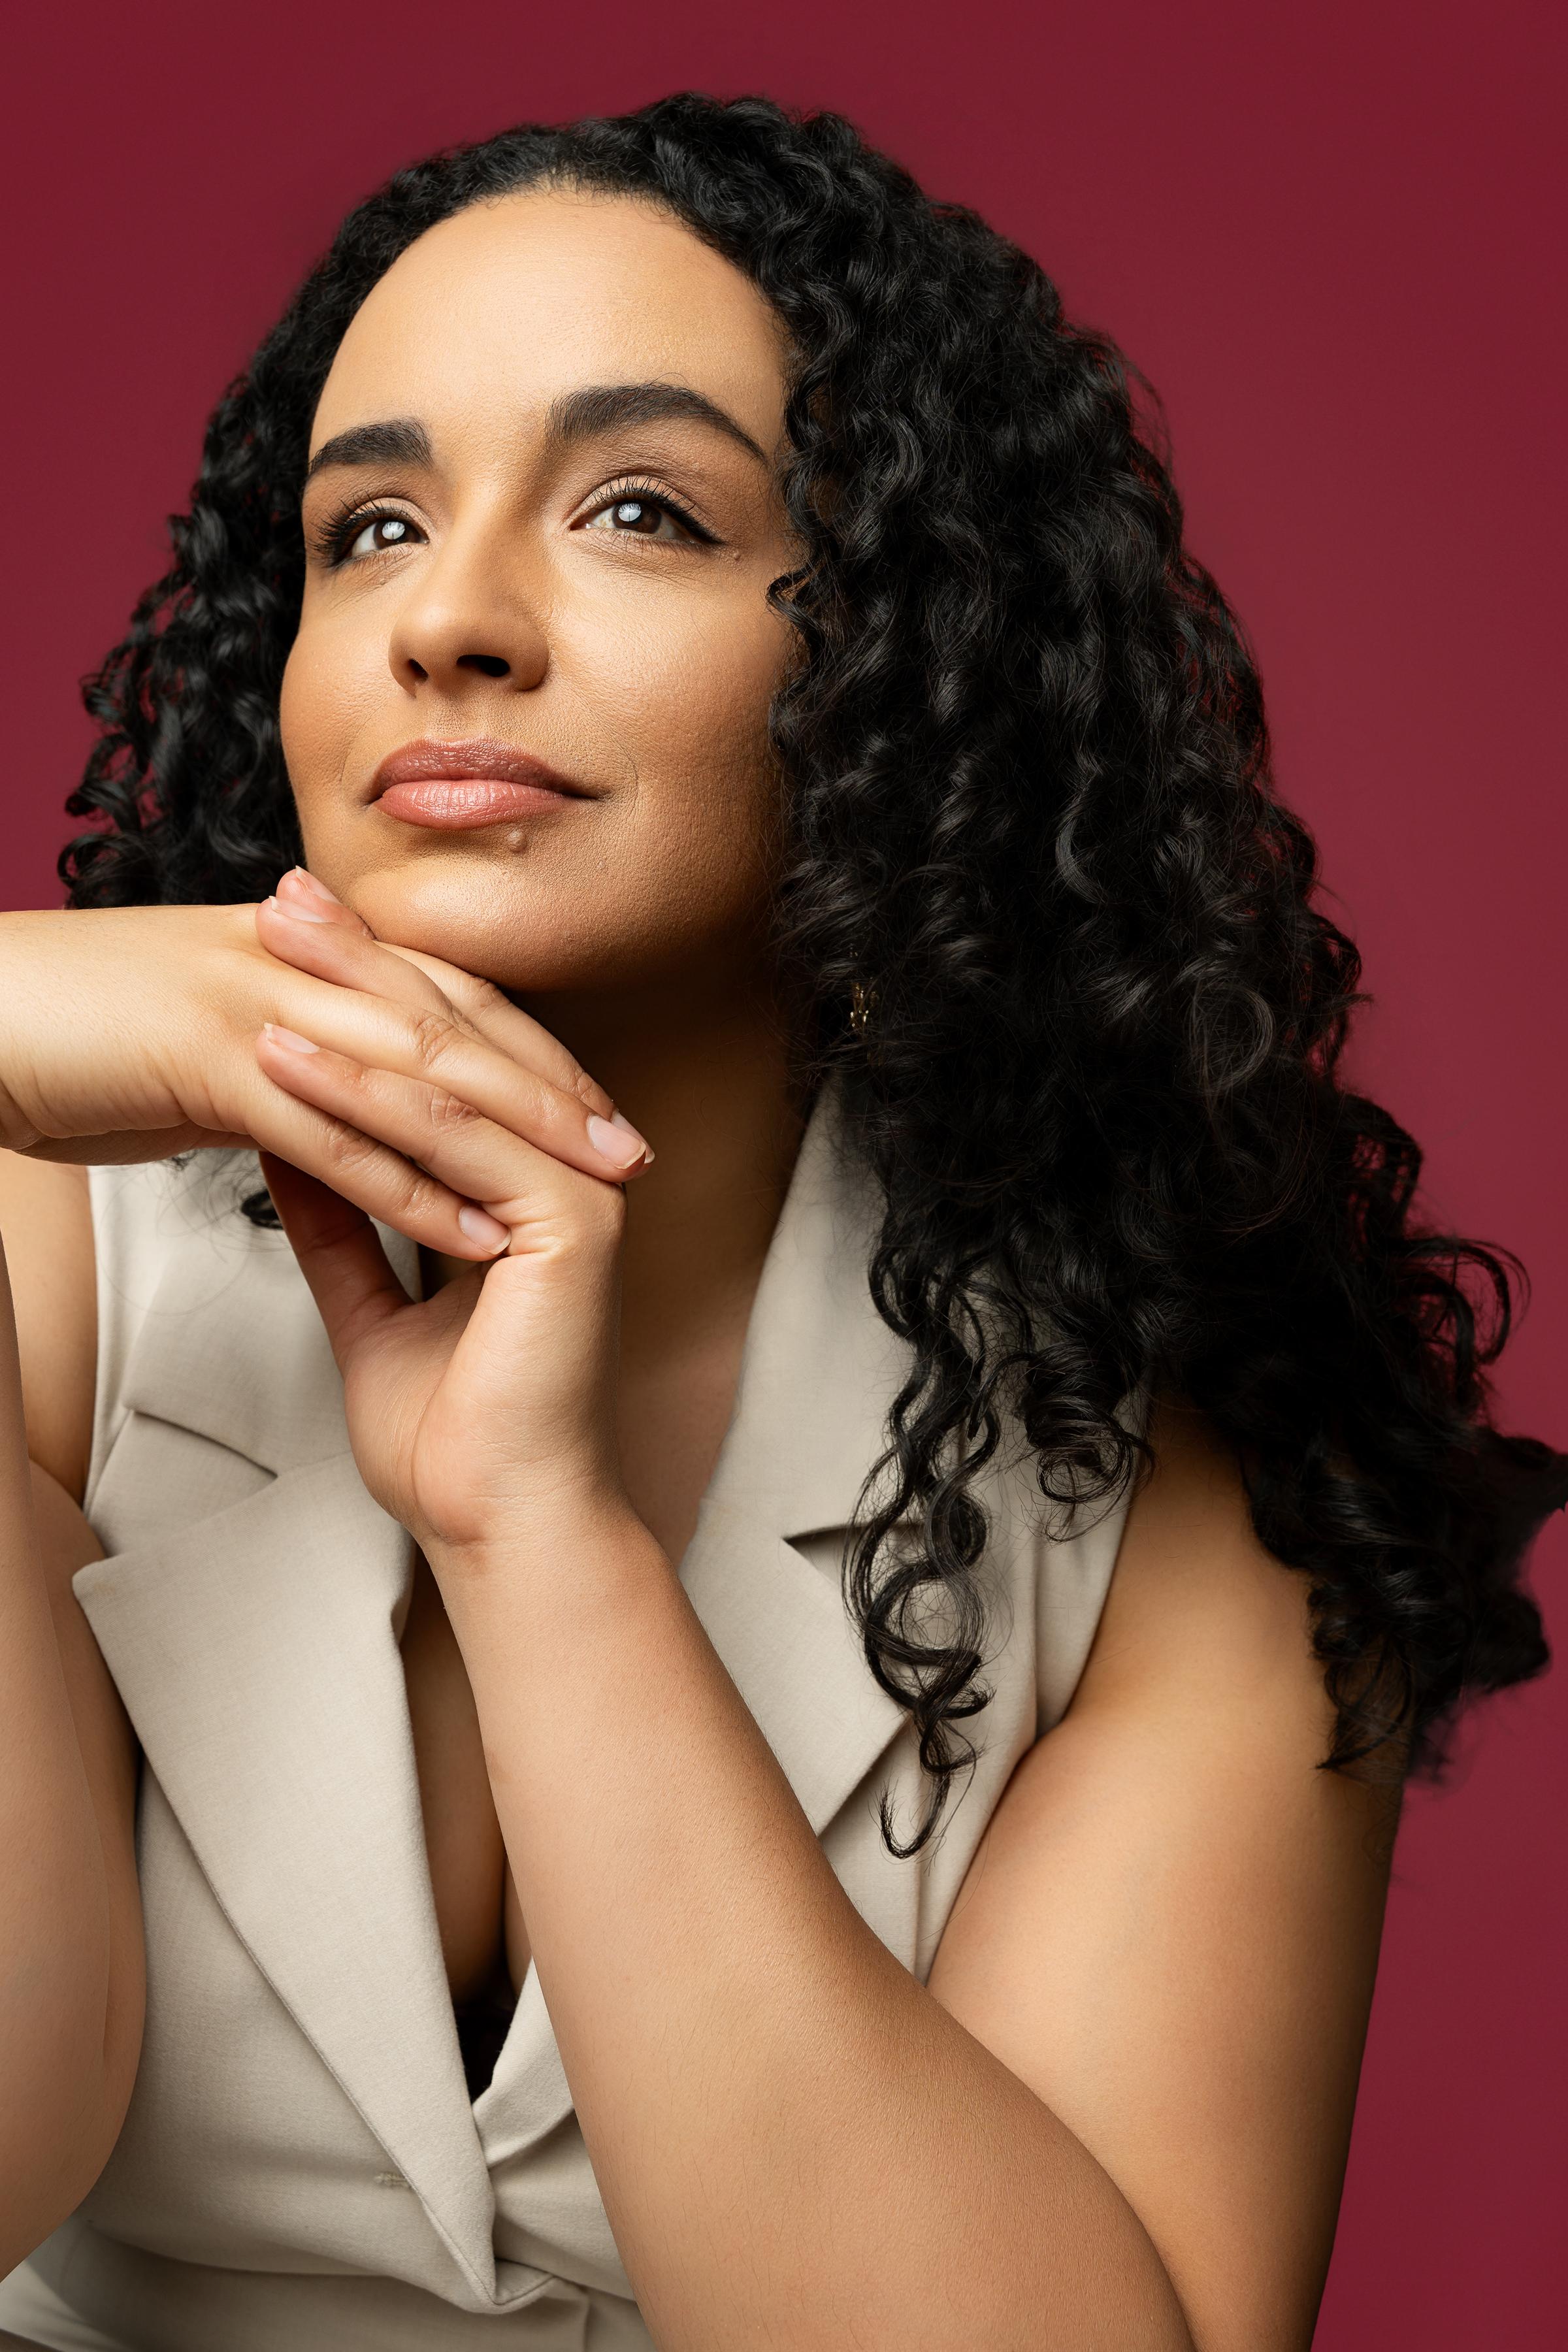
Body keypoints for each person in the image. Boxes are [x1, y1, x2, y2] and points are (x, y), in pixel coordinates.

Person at [0, 92, 1559, 2352]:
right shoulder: (56, 1241)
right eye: (367, 530)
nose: (449, 615)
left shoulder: (1183, 1490)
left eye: (638, 508)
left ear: (912, 665)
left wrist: (540, 1538)